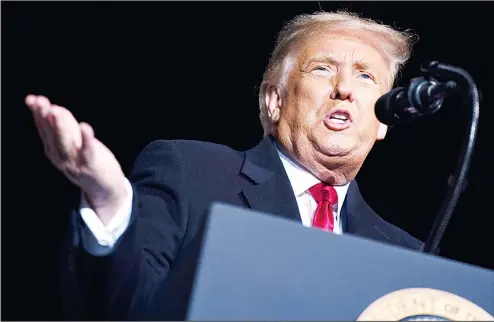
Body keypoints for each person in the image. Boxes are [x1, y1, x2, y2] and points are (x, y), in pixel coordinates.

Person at [25, 10, 422, 320]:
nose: (345, 89)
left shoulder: (410, 255)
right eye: (322, 68)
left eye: (366, 76)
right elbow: (124, 309)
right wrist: (109, 203)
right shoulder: (189, 173)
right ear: (274, 100)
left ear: (384, 120)